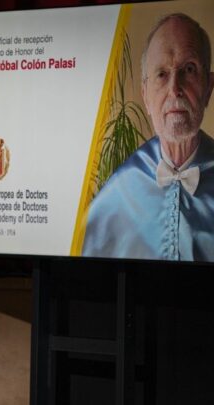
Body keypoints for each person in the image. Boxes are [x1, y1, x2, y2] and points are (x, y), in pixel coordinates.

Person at [83, 13, 214, 261]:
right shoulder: (119, 187)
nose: (174, 89)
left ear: (208, 87)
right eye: (162, 74)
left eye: (188, 69)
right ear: (145, 95)